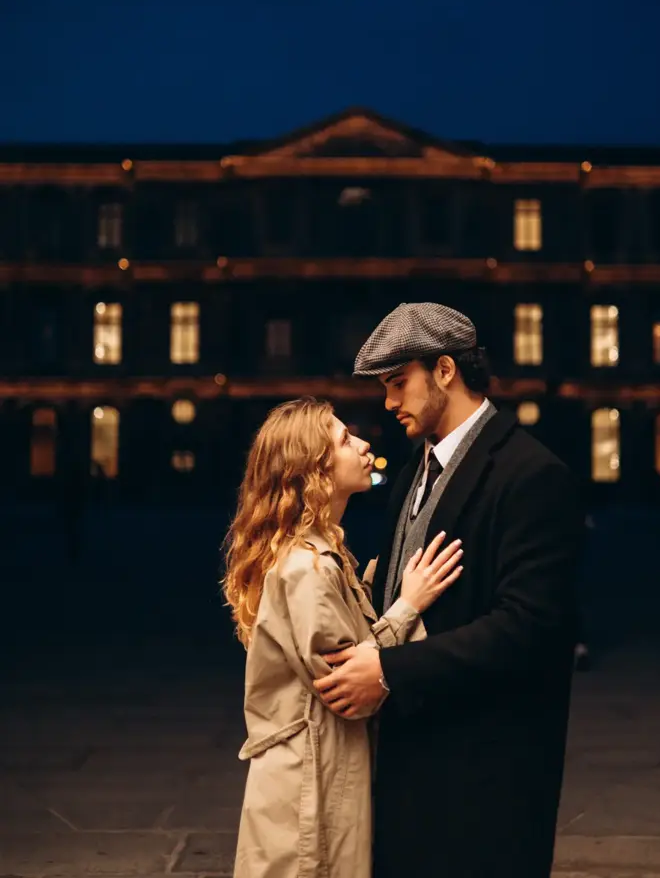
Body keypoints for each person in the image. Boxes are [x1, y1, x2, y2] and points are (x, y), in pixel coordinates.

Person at [313, 303, 584, 878]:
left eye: (397, 383)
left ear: (444, 371)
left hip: (488, 778)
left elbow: (531, 628)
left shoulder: (531, 474)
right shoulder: (414, 470)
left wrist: (389, 671)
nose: (389, 403)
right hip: (410, 770)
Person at [222, 396, 463, 878]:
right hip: (310, 792)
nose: (363, 442)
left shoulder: (319, 553)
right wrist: (408, 606)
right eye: (344, 439)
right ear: (314, 470)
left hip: (309, 781)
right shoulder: (306, 568)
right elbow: (353, 689)